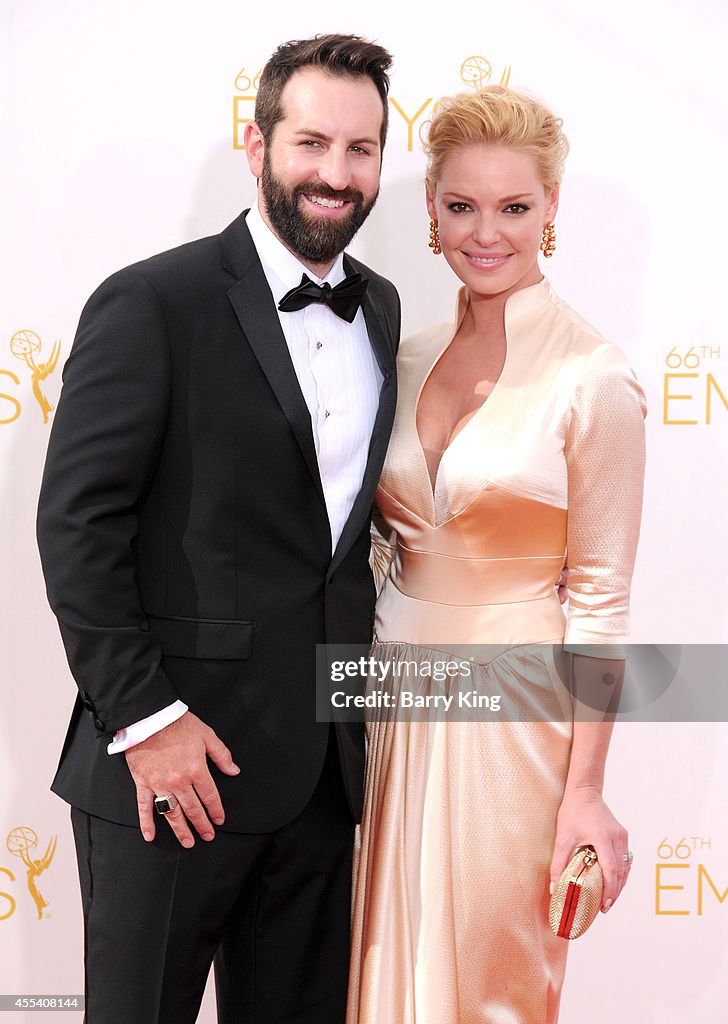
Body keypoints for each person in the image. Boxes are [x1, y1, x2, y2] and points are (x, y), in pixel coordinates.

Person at [36, 33, 399, 1024]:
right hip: (172, 774)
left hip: (323, 778)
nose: (335, 173)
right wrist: (146, 720)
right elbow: (77, 523)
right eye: (311, 142)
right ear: (256, 142)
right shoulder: (154, 300)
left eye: (360, 149)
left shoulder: (382, 313)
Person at [346, 86, 646, 1024]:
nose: (487, 232)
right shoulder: (399, 357)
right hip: (385, 704)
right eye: (461, 205)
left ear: (551, 211)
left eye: (515, 207)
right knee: (379, 970)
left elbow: (599, 597)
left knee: (486, 986)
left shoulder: (593, 378)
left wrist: (585, 792)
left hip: (511, 721)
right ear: (430, 211)